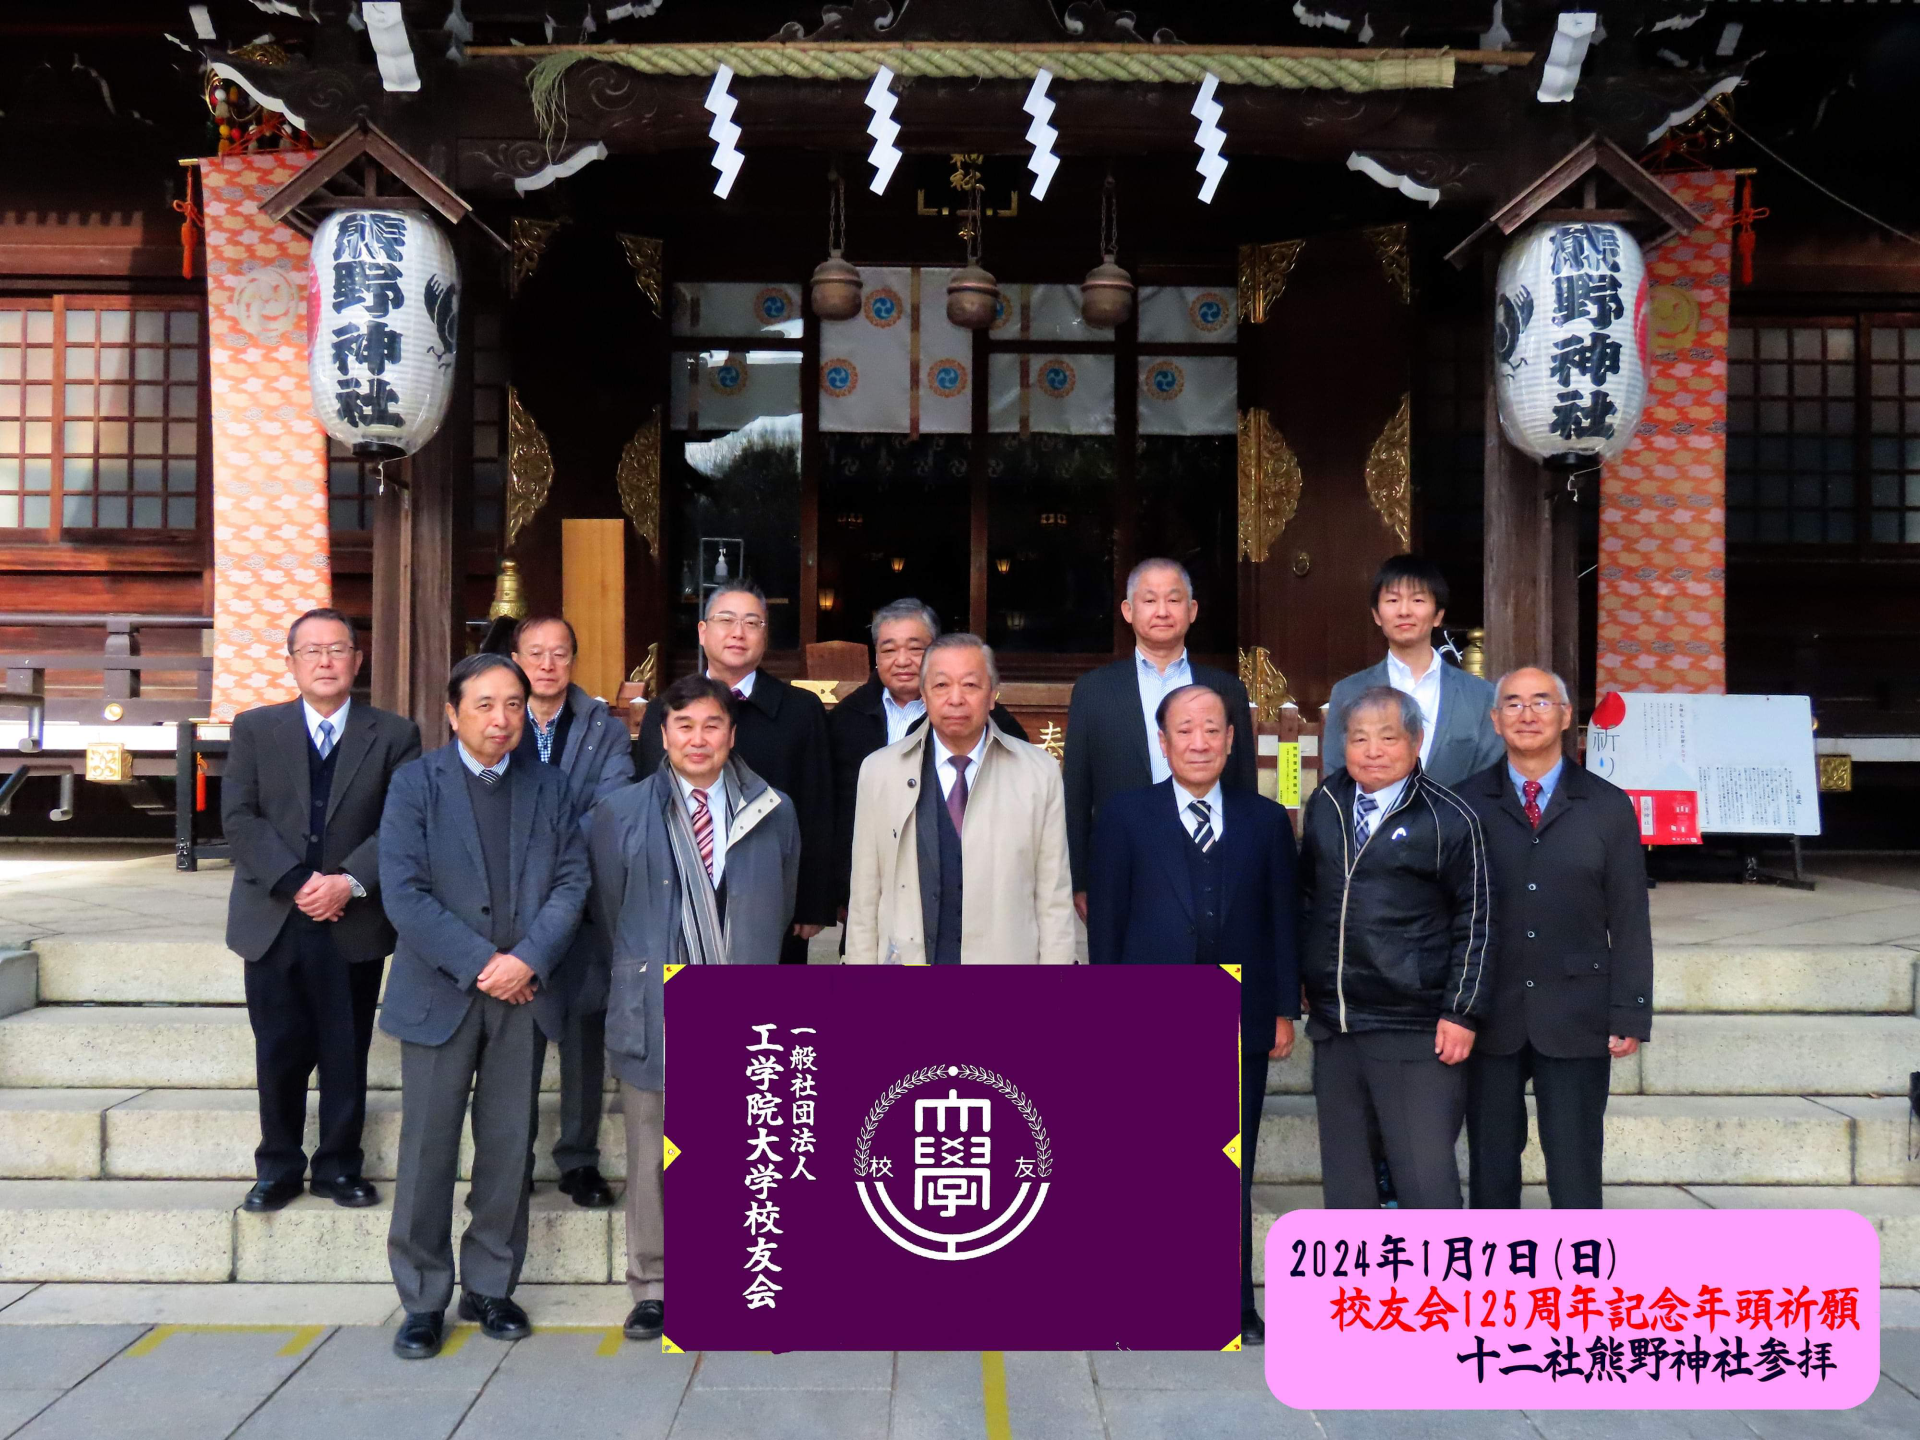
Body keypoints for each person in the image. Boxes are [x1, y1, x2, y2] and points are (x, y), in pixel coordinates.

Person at [378, 653, 590, 1359]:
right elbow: (403, 891)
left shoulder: (551, 787)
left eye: (512, 706)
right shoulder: (416, 784)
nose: (501, 720)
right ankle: (422, 1298)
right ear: (453, 713)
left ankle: (491, 1285)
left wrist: (527, 958)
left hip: (523, 995)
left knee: (507, 1147)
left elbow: (571, 882)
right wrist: (483, 965)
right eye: (484, 705)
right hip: (442, 991)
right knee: (428, 1150)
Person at [1086, 683, 1298, 1345]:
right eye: (1186, 729)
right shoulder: (1125, 816)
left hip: (1240, 1010)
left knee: (1231, 1165)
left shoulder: (1265, 821)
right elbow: (1109, 923)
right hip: (1152, 1008)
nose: (1200, 741)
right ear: (1163, 741)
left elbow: (1282, 924)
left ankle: (1232, 1306)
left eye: (1213, 728)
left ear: (1233, 739)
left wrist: (1284, 1009)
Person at [590, 675, 800, 1343]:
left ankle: (740, 1274)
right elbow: (609, 911)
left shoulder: (773, 809)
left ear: (731, 734)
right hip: (656, 997)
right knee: (653, 1151)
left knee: (743, 1148)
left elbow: (782, 898)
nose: (698, 739)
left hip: (741, 1000)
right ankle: (653, 1284)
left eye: (712, 726)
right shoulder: (621, 812)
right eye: (684, 726)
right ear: (663, 734)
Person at [221, 608, 420, 1213]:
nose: (326, 661)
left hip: (351, 918)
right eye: (311, 651)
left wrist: (350, 881)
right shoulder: (256, 728)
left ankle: (338, 1165)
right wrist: (298, 880)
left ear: (358, 661)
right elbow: (240, 817)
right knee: (278, 1047)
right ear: (292, 663)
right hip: (275, 916)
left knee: (344, 1045)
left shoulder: (393, 734)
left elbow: (402, 821)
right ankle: (277, 1165)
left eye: (338, 650)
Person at [1462, 666, 1653, 1210]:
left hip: (1577, 1011)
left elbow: (1630, 919)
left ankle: (1576, 1288)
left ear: (1566, 717)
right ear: (1495, 720)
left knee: (1574, 1169)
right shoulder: (1466, 803)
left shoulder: (1607, 805)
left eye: (1542, 702)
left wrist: (1630, 1011)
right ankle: (1494, 1286)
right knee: (1491, 1167)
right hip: (1489, 1011)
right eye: (1514, 704)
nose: (1528, 714)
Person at [1297, 685, 1492, 1209]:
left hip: (1414, 1025)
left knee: (1424, 1182)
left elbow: (1477, 921)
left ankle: (1441, 1293)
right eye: (1359, 738)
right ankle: (1359, 1293)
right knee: (1348, 1186)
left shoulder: (1449, 817)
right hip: (1337, 1024)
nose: (1372, 750)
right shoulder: (1328, 802)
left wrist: (1462, 1011)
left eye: (1387, 737)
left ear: (1416, 742)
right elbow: (1310, 897)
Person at [845, 633, 1075, 966]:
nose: (956, 699)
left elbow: (1053, 898)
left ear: (993, 694)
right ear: (923, 695)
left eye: (970, 685)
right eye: (941, 686)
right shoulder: (880, 771)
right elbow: (865, 897)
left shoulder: (1038, 773)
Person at [633, 583, 831, 963]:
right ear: (703, 632)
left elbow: (817, 808)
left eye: (751, 622)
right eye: (726, 620)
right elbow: (648, 806)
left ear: (765, 635)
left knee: (768, 1012)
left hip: (769, 891)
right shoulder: (664, 709)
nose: (738, 632)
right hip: (680, 889)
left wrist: (811, 902)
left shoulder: (801, 711)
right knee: (687, 1012)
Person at [510, 614, 635, 1211]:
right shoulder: (497, 713)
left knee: (585, 1030)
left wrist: (549, 852)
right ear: (517, 657)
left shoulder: (602, 728)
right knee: (517, 1038)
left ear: (574, 662)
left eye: (560, 653)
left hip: (581, 899)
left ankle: (579, 1159)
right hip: (508, 906)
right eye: (536, 652)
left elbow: (610, 806)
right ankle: (509, 1160)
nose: (548, 664)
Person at [1063, 558, 1256, 922]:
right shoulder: (1095, 690)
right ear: (1128, 610)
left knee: (1212, 974)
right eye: (1150, 600)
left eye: (1174, 599)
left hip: (1209, 854)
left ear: (1192, 610)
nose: (1162, 611)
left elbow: (1243, 783)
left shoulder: (1225, 688)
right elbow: (1076, 792)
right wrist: (1079, 880)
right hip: (1123, 860)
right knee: (1132, 974)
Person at [827, 598, 1026, 924]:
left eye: (915, 648)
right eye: (889, 650)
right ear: (875, 654)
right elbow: (835, 810)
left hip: (968, 887)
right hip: (876, 890)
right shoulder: (847, 717)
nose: (902, 660)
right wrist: (839, 890)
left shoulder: (978, 714)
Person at [1325, 554, 1501, 788]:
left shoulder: (1481, 696)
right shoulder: (1348, 692)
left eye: (1417, 600)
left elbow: (1490, 781)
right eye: (1393, 601)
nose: (1404, 611)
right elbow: (1336, 781)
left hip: (1457, 823)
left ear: (1438, 615)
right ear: (1377, 615)